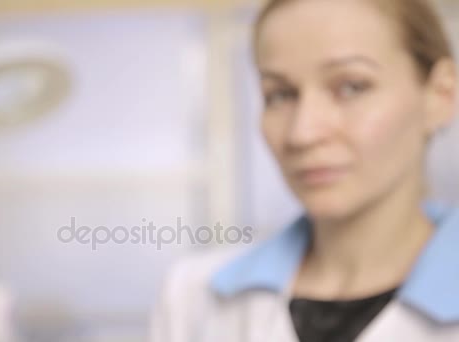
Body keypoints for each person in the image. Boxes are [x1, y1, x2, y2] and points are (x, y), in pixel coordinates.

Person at [149, 0, 459, 341]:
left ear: (440, 95)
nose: (303, 132)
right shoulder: (194, 299)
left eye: (351, 86)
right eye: (280, 95)